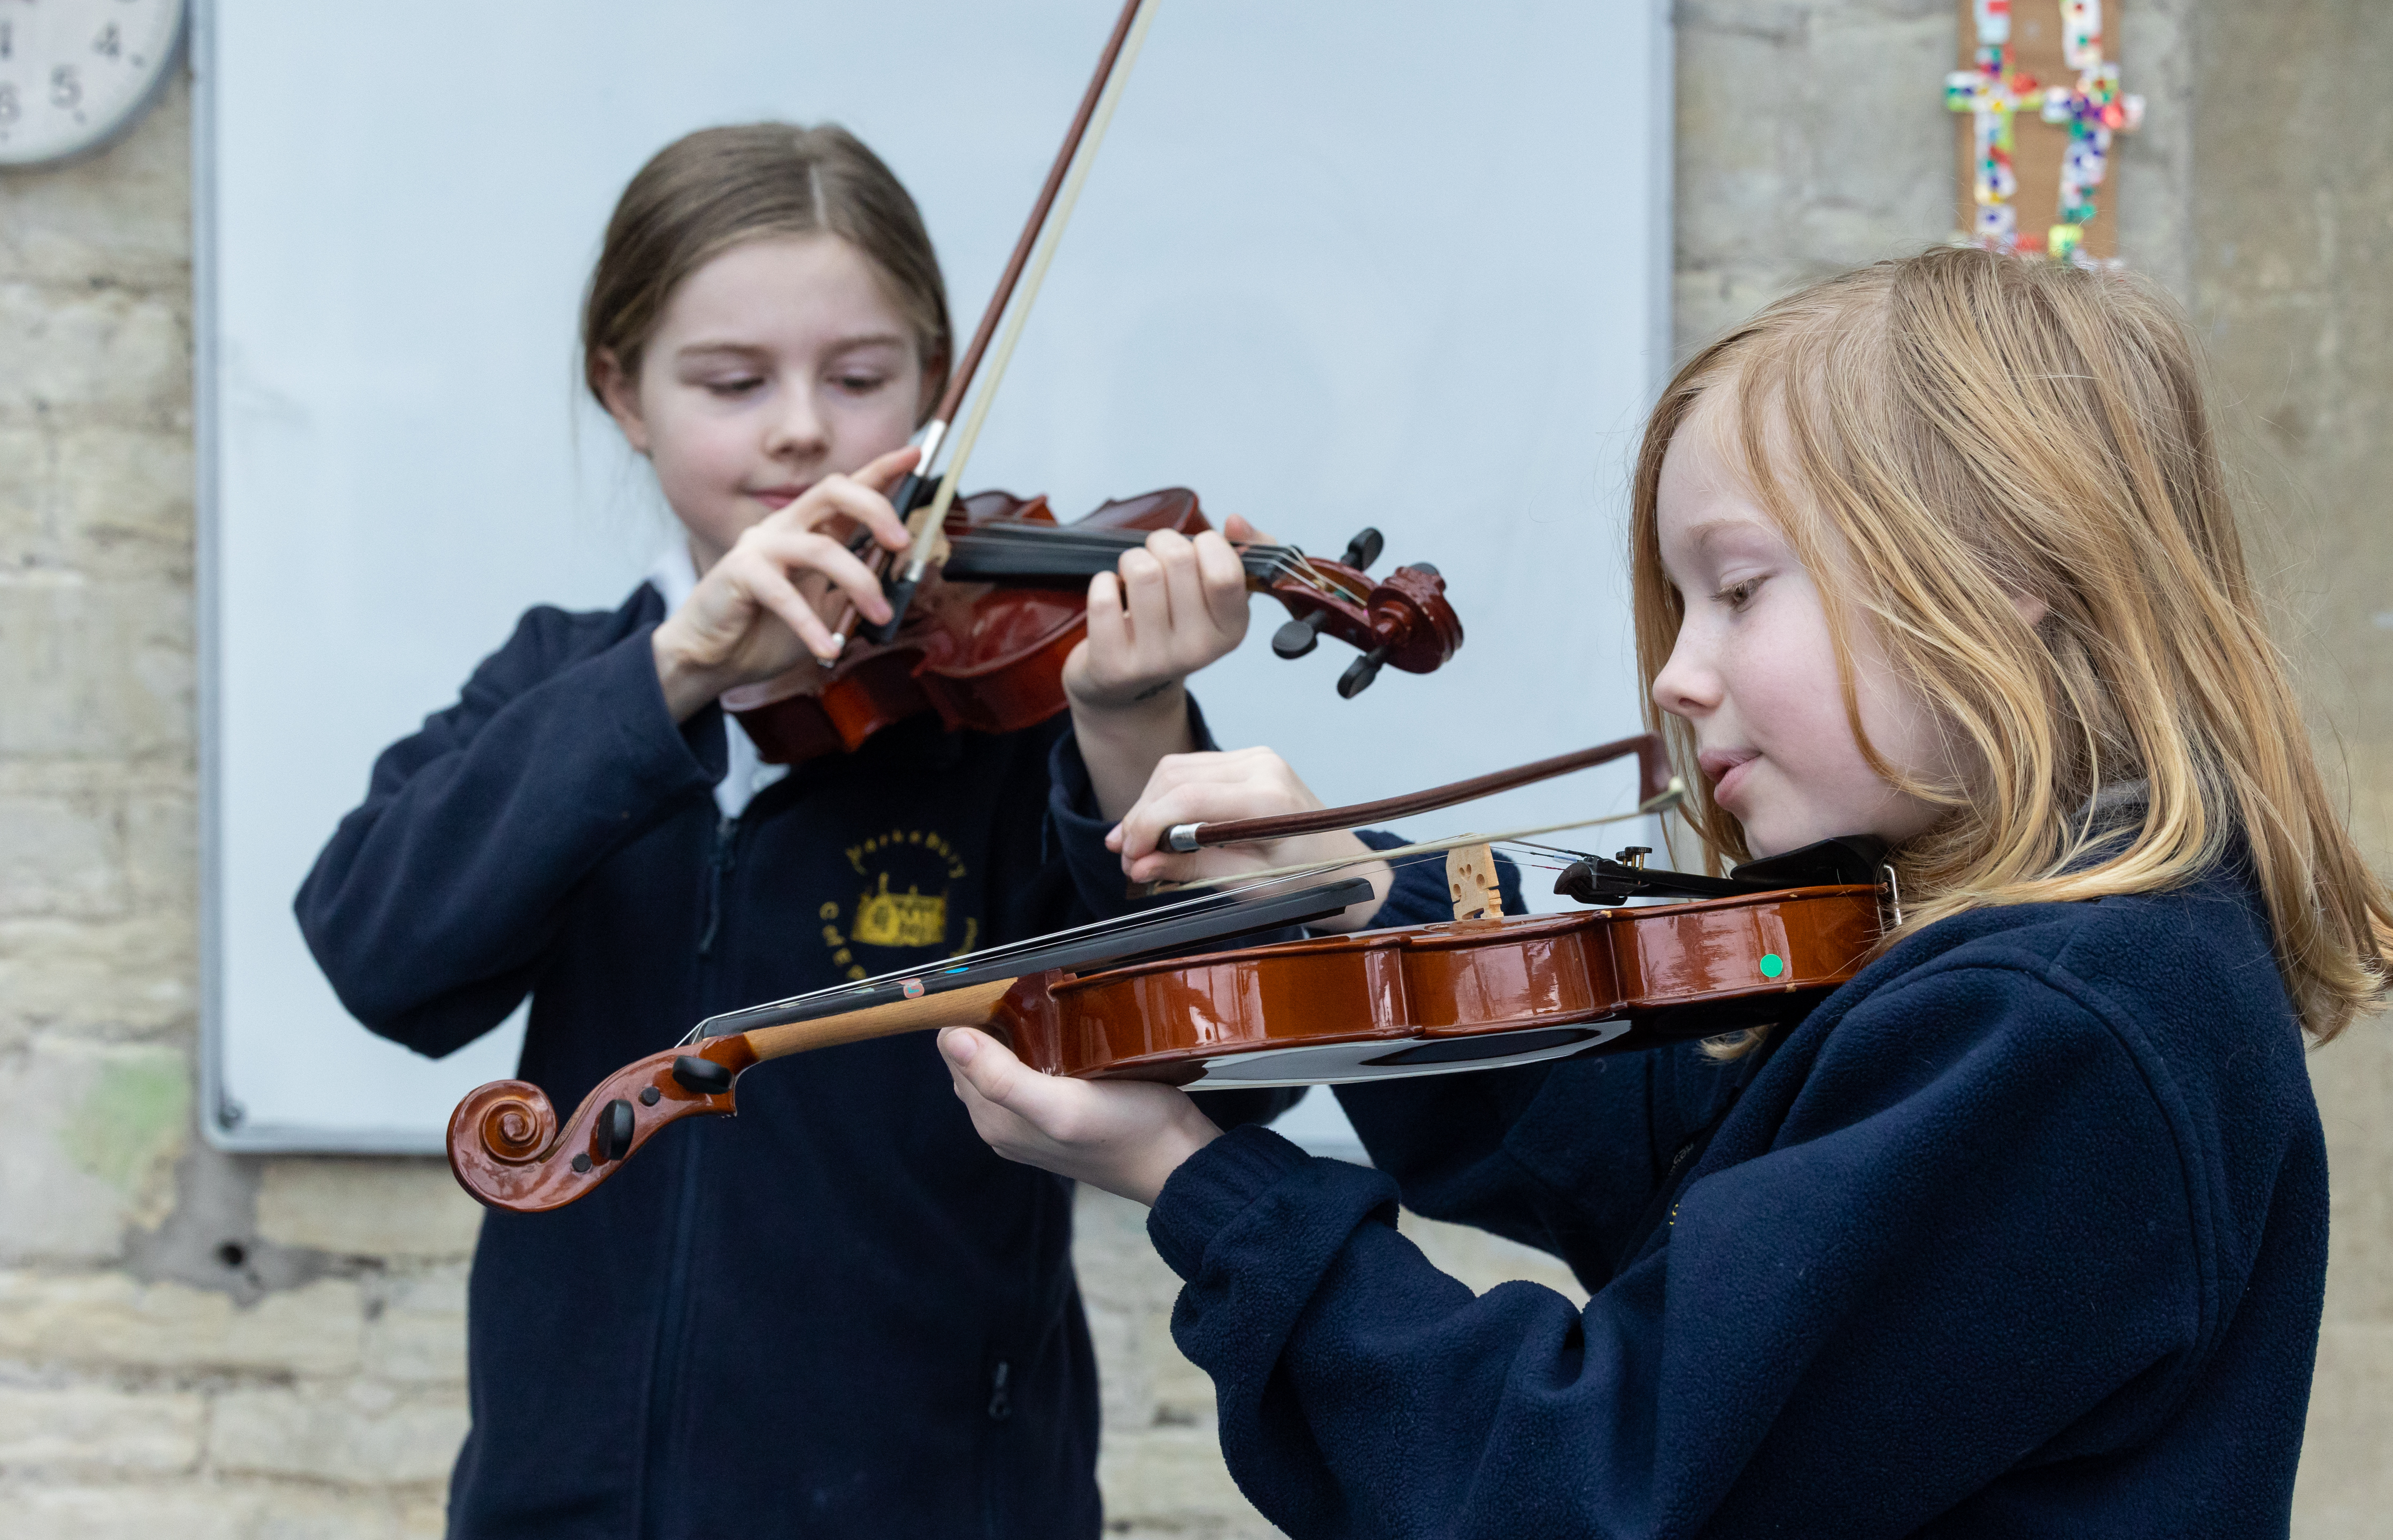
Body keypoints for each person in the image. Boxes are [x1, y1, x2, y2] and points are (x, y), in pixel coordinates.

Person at [939, 246, 2390, 1538]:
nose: (1676, 677)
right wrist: (1356, 895)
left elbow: (1593, 1485)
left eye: (1739, 590)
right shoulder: (2007, 965)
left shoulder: (2056, 1028)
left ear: (1998, 566)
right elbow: (1626, 1131)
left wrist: (1199, 1185)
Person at [297, 122, 1293, 1538]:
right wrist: (672, 677)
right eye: (731, 381)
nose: (800, 430)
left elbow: (1230, 1074)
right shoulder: (562, 682)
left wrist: (1134, 733)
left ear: (937, 386)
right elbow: (379, 956)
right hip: (564, 1505)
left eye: (860, 377)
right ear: (622, 393)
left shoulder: (1014, 713)